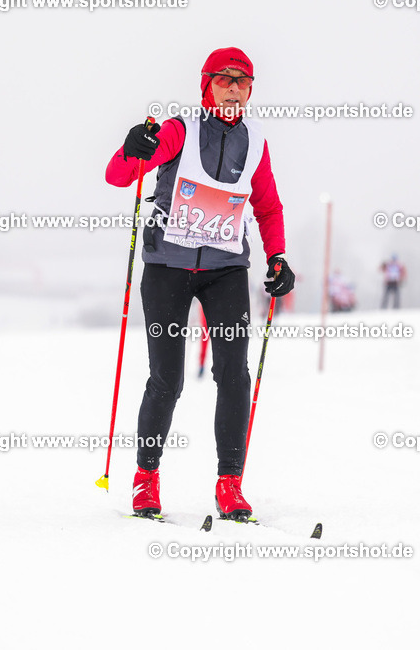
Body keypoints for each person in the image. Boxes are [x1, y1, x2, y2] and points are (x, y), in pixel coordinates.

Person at [105, 47, 294, 521]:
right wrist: (132, 148)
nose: (234, 87)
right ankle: (145, 479)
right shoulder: (179, 130)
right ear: (206, 85)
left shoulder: (256, 142)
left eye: (243, 81)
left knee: (234, 372)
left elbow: (267, 206)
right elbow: (118, 176)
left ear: (250, 91)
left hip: (226, 269)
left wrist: (277, 256)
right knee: (166, 379)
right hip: (168, 266)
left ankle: (229, 483)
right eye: (224, 79)